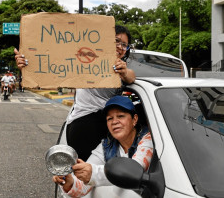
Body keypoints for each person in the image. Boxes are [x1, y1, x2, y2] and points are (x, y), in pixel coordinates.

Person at [15, 25, 135, 161]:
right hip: (86, 125)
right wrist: (27, 63)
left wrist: (124, 72)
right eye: (116, 41)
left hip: (107, 125)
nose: (120, 46)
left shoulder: (121, 69)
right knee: (87, 175)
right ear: (105, 41)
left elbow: (131, 77)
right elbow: (51, 63)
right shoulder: (86, 60)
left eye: (124, 44)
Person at [53, 95, 153, 196]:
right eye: (110, 118)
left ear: (134, 119)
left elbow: (133, 170)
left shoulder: (148, 138)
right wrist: (70, 183)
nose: (114, 122)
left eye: (121, 116)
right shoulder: (106, 145)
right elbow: (85, 184)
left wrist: (93, 173)